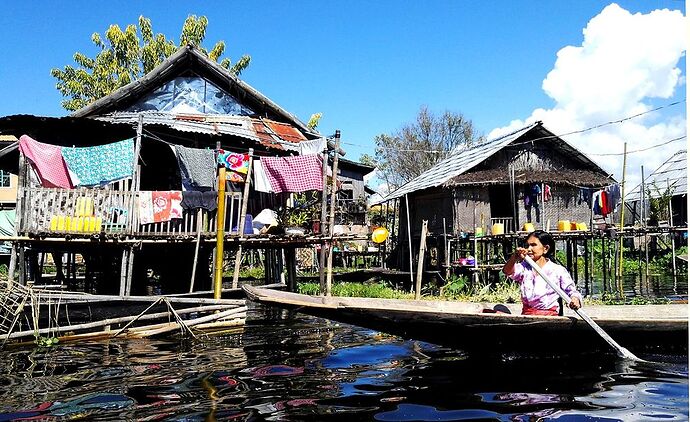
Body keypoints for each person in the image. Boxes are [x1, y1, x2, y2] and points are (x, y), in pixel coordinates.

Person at [502, 230, 582, 316]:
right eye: (527, 245)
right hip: (527, 315)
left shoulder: (558, 270)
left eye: (533, 245)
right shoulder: (524, 267)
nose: (529, 249)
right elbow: (507, 271)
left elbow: (572, 291)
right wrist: (514, 257)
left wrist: (574, 300)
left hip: (550, 317)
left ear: (545, 248)